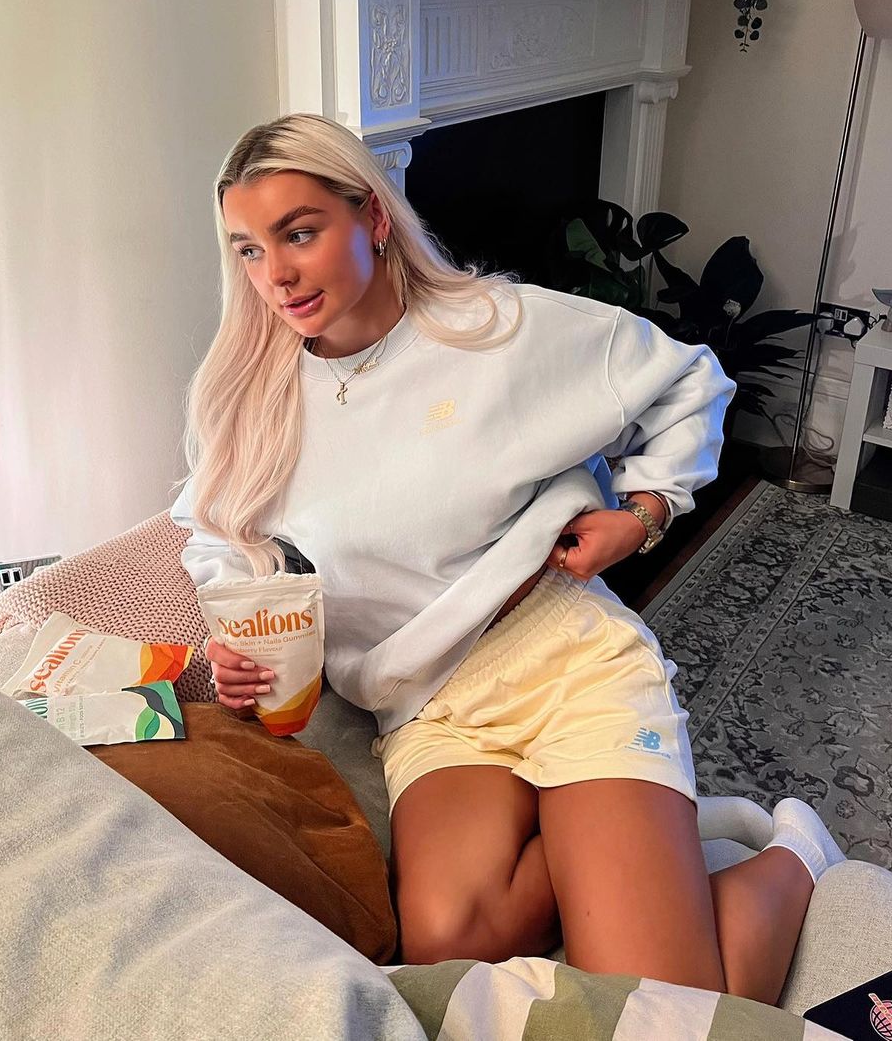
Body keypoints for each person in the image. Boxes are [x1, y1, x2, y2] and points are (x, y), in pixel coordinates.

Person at [171, 114, 844, 1002]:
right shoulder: (254, 394)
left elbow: (692, 378)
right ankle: (637, 840)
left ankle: (795, 849)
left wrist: (643, 511)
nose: (276, 275)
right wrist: (239, 626)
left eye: (299, 233)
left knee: (661, 1005)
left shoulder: (495, 327)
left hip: (562, 658)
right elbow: (215, 531)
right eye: (250, 250)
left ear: (372, 216)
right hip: (427, 705)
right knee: (447, 939)